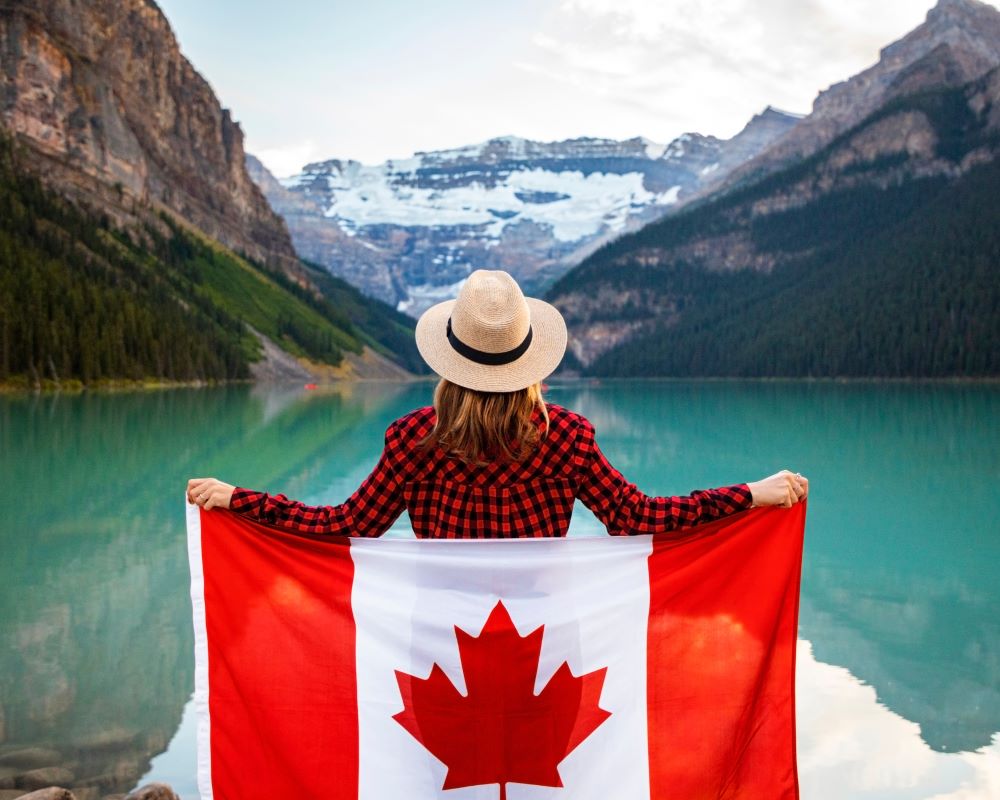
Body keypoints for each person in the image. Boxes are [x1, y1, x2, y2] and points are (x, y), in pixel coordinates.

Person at [187, 269, 807, 536]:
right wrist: (752, 494)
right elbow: (638, 517)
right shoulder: (567, 436)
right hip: (546, 641)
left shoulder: (412, 440)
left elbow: (344, 527)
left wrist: (240, 501)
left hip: (439, 645)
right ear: (529, 360)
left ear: (448, 359)